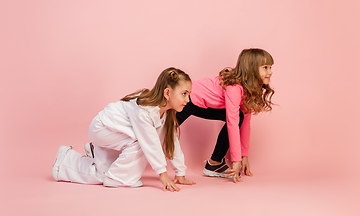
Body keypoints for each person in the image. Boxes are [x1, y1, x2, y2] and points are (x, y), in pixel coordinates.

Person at [52, 67, 195, 192]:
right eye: (184, 94)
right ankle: (118, 178)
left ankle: (86, 155)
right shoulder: (144, 111)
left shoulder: (166, 113)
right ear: (167, 93)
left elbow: (172, 141)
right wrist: (163, 175)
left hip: (116, 132)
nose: (188, 99)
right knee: (142, 141)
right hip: (102, 129)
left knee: (102, 171)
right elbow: (151, 144)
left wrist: (180, 173)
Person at [176, 48, 275, 183]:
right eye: (265, 67)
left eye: (270, 67)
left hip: (203, 104)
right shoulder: (234, 88)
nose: (270, 72)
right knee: (162, 129)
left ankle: (214, 163)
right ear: (251, 69)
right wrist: (236, 160)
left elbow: (245, 122)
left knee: (240, 116)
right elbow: (232, 123)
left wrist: (244, 155)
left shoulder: (249, 88)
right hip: (188, 99)